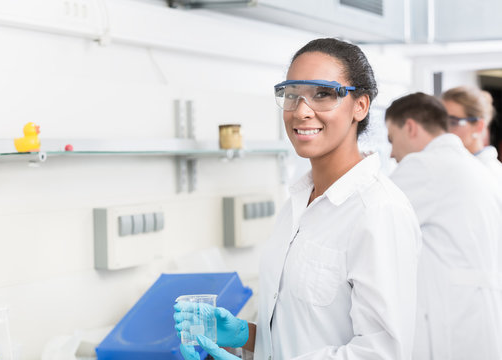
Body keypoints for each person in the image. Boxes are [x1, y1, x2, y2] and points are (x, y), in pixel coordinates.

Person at [174, 38, 421, 360]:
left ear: (360, 106)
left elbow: (382, 352)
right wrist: (246, 335)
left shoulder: (378, 211)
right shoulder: (298, 202)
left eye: (323, 94)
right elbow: (302, 332)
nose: (302, 111)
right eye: (292, 96)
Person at [385, 92, 502, 360]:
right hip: (480, 318)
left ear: (411, 127)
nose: (391, 153)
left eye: (392, 139)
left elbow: (369, 216)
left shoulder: (425, 166)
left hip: (452, 320)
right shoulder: (469, 167)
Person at [441, 86, 502, 183]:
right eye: (440, 121)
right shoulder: (445, 165)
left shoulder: (492, 175)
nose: (443, 130)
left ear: (479, 126)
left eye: (452, 122)